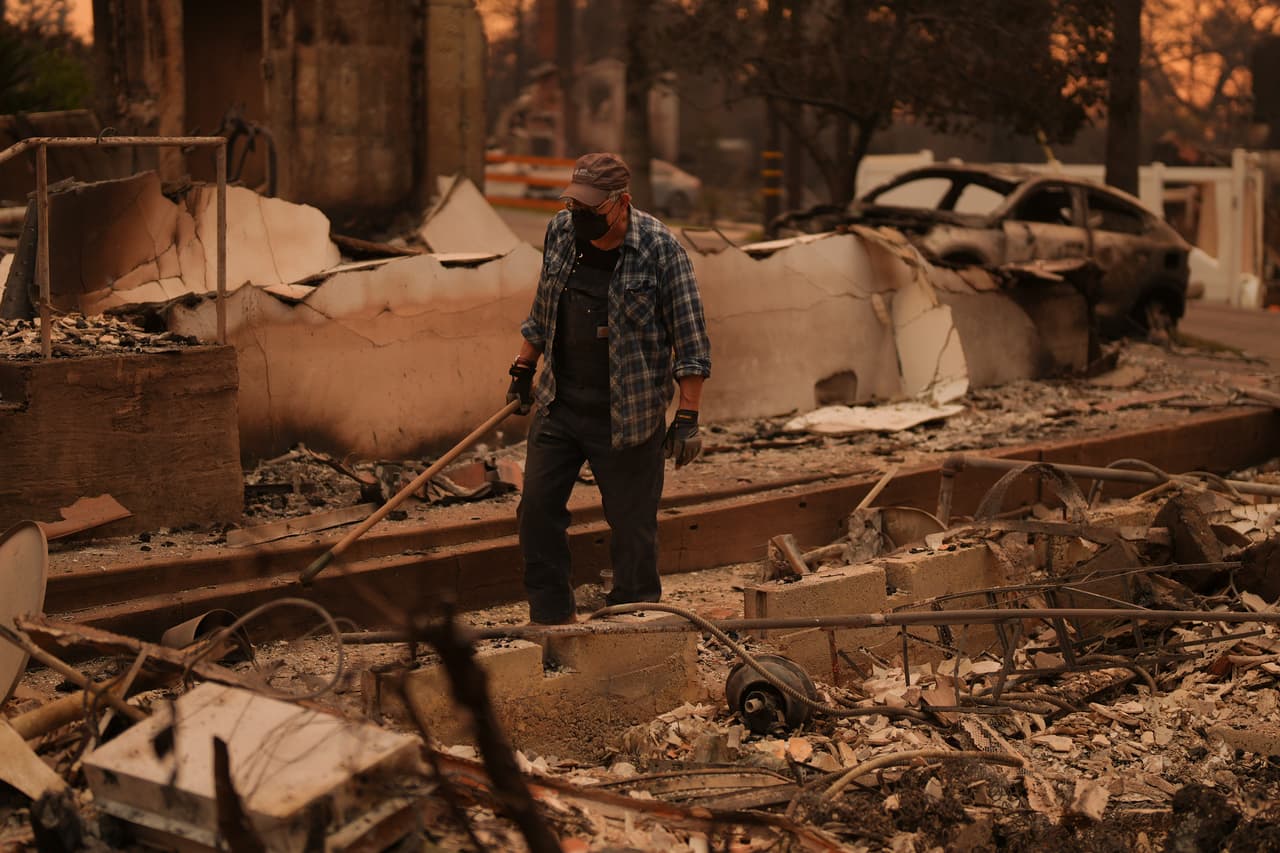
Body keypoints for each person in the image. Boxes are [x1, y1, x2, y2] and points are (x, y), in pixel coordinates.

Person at [507, 152, 712, 624]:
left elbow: (691, 341)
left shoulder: (661, 250)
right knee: (536, 512)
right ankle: (551, 618)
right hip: (561, 404)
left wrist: (687, 419)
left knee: (632, 530)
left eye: (591, 211)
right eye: (575, 207)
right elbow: (543, 307)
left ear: (622, 204)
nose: (579, 218)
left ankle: (632, 623)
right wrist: (523, 368)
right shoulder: (561, 232)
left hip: (629, 416)